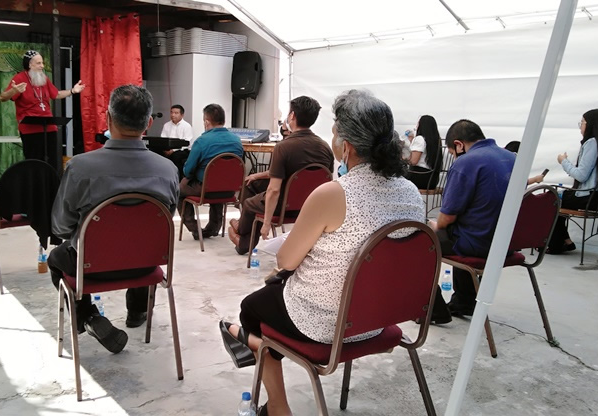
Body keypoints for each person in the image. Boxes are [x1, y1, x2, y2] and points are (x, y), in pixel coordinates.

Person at [219, 90, 425, 416]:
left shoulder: (332, 194)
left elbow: (287, 260)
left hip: (326, 324)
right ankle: (253, 343)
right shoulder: (411, 192)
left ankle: (277, 405)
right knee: (273, 297)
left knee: (252, 307)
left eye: (334, 131)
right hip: (379, 317)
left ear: (347, 146)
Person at [48, 85, 179, 353]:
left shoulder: (80, 167)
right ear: (149, 123)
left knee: (56, 258)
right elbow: (164, 222)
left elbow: (60, 227)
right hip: (145, 266)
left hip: (90, 266)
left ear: (108, 118)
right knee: (142, 240)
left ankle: (89, 317)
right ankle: (137, 312)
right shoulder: (168, 169)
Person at [428, 119, 516, 322]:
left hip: (478, 243)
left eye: (452, 153)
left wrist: (435, 225)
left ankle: (433, 308)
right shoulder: (510, 157)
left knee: (420, 238)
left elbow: (447, 217)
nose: (454, 157)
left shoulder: (466, 162)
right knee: (461, 228)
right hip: (507, 242)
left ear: (459, 145)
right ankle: (465, 300)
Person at [227, 96, 334, 255]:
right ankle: (243, 233)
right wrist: (257, 176)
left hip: (283, 206)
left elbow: (274, 190)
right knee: (252, 183)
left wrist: (266, 223)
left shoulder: (283, 147)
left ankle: (242, 238)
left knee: (249, 203)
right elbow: (323, 181)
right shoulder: (325, 147)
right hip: (309, 206)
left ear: (292, 116)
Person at [547, 109, 598, 254]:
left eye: (582, 122)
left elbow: (581, 176)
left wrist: (563, 161)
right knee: (557, 198)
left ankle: (556, 244)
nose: (581, 126)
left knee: (549, 198)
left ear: (591, 124)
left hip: (589, 199)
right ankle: (566, 241)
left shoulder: (592, 143)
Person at [0, 50, 85, 168]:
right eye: (39, 63)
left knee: (52, 161)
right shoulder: (19, 78)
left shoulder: (43, 78)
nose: (42, 66)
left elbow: (56, 94)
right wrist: (14, 91)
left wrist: (72, 91)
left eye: (42, 63)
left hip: (48, 127)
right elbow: (2, 98)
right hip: (30, 129)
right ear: (30, 64)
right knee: (34, 163)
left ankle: (52, 180)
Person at [179, 104, 244, 240]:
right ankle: (213, 228)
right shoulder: (237, 141)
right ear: (223, 121)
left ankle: (195, 229)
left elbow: (188, 171)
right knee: (218, 182)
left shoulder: (201, 142)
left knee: (178, 190)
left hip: (206, 190)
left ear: (206, 122)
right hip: (230, 190)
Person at [404, 115, 444, 190]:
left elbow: (413, 161)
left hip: (419, 178)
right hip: (432, 180)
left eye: (418, 124)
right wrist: (412, 142)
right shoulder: (437, 141)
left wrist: (402, 157)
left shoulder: (420, 139)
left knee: (395, 177)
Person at [159, 104, 194, 179]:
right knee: (156, 153)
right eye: (171, 112)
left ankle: (177, 178)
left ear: (182, 115)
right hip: (168, 148)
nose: (173, 115)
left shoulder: (186, 126)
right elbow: (163, 139)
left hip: (182, 150)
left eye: (176, 113)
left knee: (176, 156)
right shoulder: (166, 125)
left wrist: (173, 150)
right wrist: (166, 149)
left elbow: (187, 143)